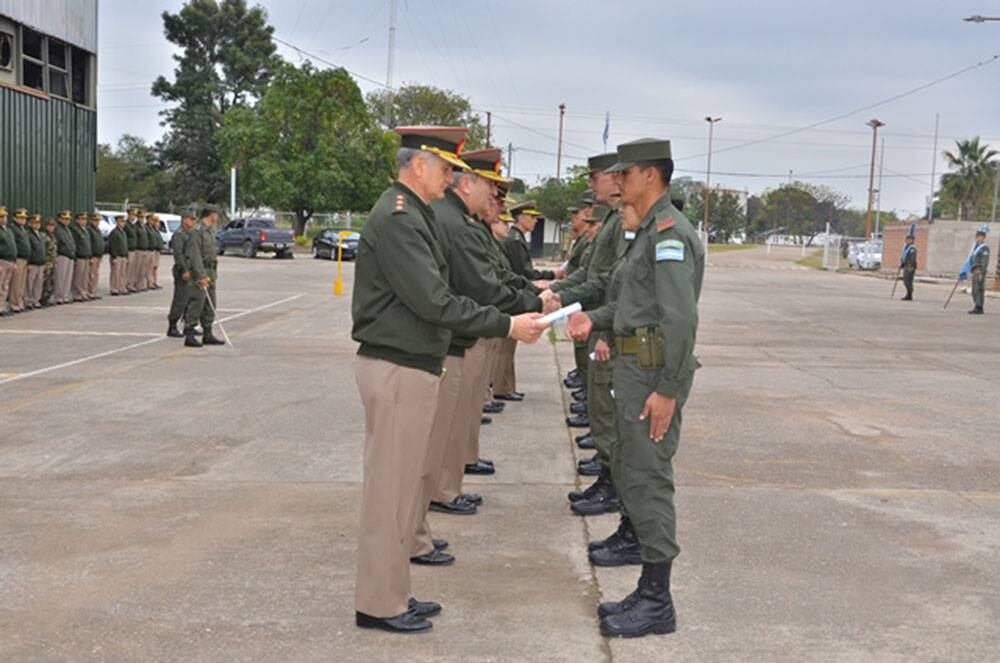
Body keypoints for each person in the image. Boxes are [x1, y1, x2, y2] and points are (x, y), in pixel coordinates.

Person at [350, 126, 546, 635]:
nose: (451, 179)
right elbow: (435, 301)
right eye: (445, 169)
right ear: (419, 166)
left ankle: (393, 593)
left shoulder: (414, 214)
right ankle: (379, 603)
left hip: (411, 364)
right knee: (391, 494)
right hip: (398, 367)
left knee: (401, 491)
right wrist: (507, 324)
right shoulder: (399, 219)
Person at [564, 138, 704, 638]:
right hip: (634, 369)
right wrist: (594, 319)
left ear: (650, 175)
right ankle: (648, 586)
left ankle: (657, 600)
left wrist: (668, 390)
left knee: (649, 480)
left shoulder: (669, 235)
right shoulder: (645, 233)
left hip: (652, 376)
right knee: (632, 472)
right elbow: (632, 307)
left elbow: (680, 321)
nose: (616, 183)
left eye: (625, 175)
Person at [420, 148, 540, 532]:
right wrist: (533, 303)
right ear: (467, 183)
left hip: (463, 331)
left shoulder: (458, 221)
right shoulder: (454, 223)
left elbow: (494, 279)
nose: (494, 198)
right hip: (455, 335)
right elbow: (481, 285)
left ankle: (445, 487)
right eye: (490, 187)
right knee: (446, 424)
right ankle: (441, 491)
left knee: (457, 418)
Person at [183, 208, 225, 347]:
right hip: (200, 271)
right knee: (197, 303)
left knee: (210, 304)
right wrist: (201, 275)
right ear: (212, 215)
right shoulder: (197, 231)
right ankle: (189, 333)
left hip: (210, 271)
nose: (217, 217)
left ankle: (208, 333)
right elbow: (195, 255)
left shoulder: (210, 231)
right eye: (216, 214)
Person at [167, 213, 195, 336]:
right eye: (191, 219)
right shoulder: (178, 235)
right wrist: (184, 270)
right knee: (180, 299)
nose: (193, 222)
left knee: (191, 299)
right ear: (184, 220)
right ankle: (172, 325)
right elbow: (178, 255)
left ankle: (189, 325)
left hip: (192, 270)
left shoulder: (191, 234)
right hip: (182, 271)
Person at [961, 225, 990, 315]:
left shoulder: (984, 248)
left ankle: (979, 306)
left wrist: (981, 271)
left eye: (981, 237)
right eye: (978, 236)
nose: (978, 238)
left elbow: (985, 261)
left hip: (979, 270)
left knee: (978, 289)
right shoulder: (976, 247)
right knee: (975, 289)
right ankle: (977, 305)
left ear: (983, 237)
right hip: (974, 270)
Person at [8, 209, 30, 313]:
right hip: (18, 258)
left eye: (24, 218)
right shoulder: (13, 229)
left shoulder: (22, 229)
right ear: (15, 218)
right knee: (16, 283)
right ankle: (14, 304)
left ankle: (20, 302)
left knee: (22, 283)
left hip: (25, 258)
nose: (22, 220)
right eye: (20, 218)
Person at [25, 214, 46, 309]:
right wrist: (29, 262)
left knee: (38, 283)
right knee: (30, 283)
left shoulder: (41, 235)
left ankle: (36, 300)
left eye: (38, 223)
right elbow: (29, 249)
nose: (36, 225)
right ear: (30, 224)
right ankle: (28, 301)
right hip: (33, 262)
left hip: (41, 262)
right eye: (34, 223)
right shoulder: (28, 234)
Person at [108, 215, 129, 296]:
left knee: (122, 273)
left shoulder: (123, 232)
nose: (122, 223)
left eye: (123, 222)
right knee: (115, 273)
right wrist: (114, 256)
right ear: (117, 222)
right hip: (117, 256)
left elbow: (125, 245)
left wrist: (126, 256)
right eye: (121, 221)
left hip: (123, 255)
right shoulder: (114, 233)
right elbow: (113, 245)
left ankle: (121, 287)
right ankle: (114, 288)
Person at [0, 207, 15, 316]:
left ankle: (1, 307)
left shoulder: (8, 230)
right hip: (2, 260)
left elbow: (13, 246)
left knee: (5, 285)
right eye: (1, 217)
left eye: (4, 217)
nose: (3, 219)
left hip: (9, 260)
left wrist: (14, 261)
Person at [40, 217, 58, 306]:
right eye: (49, 225)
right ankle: (42, 299)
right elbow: (43, 250)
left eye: (52, 226)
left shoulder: (52, 236)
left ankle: (47, 298)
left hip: (52, 261)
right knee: (45, 281)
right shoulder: (43, 236)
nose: (51, 227)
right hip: (46, 262)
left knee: (51, 280)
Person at [87, 212, 104, 300]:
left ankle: (94, 291)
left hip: (98, 255)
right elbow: (89, 244)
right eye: (95, 220)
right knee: (91, 275)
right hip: (93, 256)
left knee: (96, 275)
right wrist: (91, 256)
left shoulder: (98, 230)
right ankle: (90, 291)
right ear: (91, 220)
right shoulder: (89, 230)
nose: (97, 222)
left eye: (98, 221)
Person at [134, 210, 150, 292]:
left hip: (144, 249)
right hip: (139, 249)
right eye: (140, 217)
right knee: (137, 269)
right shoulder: (136, 227)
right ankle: (136, 284)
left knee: (143, 269)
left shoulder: (143, 227)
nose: (142, 219)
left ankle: (141, 284)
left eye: (143, 217)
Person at [899, 227, 917, 301]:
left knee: (908, 280)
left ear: (912, 240)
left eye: (910, 240)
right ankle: (908, 293)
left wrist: (910, 266)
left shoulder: (912, 248)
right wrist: (902, 264)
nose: (908, 241)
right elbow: (904, 256)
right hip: (906, 265)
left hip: (910, 266)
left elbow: (912, 258)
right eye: (907, 239)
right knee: (905, 280)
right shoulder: (906, 247)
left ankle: (909, 294)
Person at [124, 209, 139, 293]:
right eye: (132, 215)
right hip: (129, 249)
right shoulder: (126, 225)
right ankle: (125, 285)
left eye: (134, 215)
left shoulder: (133, 225)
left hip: (134, 249)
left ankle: (130, 284)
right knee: (127, 269)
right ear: (128, 215)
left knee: (132, 269)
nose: (133, 217)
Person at [148, 215, 164, 289]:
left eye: (158, 222)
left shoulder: (157, 231)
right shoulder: (153, 231)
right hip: (154, 250)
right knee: (152, 267)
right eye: (156, 222)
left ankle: (155, 281)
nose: (158, 224)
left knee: (155, 267)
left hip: (158, 251)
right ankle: (151, 282)